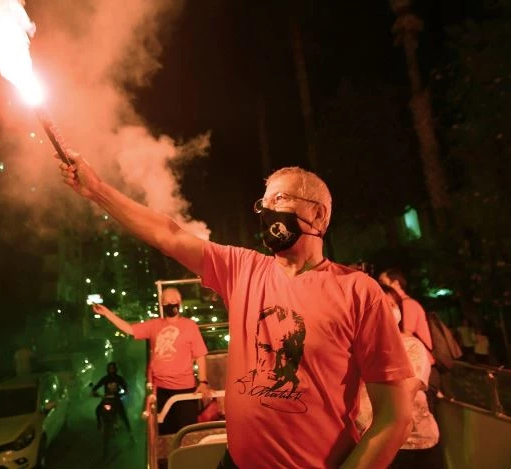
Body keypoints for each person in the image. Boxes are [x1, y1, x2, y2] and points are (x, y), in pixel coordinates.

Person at [58, 151, 416, 468]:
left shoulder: (358, 292)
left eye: (280, 198)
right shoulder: (242, 269)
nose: (267, 211)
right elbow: (168, 235)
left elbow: (394, 418)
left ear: (318, 214)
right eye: (263, 203)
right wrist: (97, 190)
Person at [92, 288, 210, 435]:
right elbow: (129, 329)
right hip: (160, 389)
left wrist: (203, 382)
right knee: (166, 433)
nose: (169, 304)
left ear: (179, 303)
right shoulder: (154, 325)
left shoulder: (190, 326)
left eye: (172, 301)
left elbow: (200, 355)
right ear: (161, 304)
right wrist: (107, 313)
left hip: (185, 390)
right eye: (165, 302)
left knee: (187, 433)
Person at [356, 285, 443, 468]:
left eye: (390, 304)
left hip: (413, 446)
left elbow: (402, 400)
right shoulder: (353, 348)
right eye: (376, 304)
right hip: (365, 444)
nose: (384, 309)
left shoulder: (410, 346)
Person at [379, 268, 434, 361]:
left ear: (396, 283)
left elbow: (406, 335)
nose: (379, 286)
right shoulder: (403, 304)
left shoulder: (407, 304)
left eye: (382, 282)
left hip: (421, 363)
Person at [91, 361, 132, 435]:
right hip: (106, 399)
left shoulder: (119, 378)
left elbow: (125, 387)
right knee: (97, 409)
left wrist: (125, 391)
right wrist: (93, 391)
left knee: (123, 415)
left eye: (112, 368)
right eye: (110, 368)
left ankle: (130, 433)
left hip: (116, 399)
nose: (111, 370)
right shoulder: (105, 378)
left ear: (115, 369)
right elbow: (97, 386)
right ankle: (99, 423)